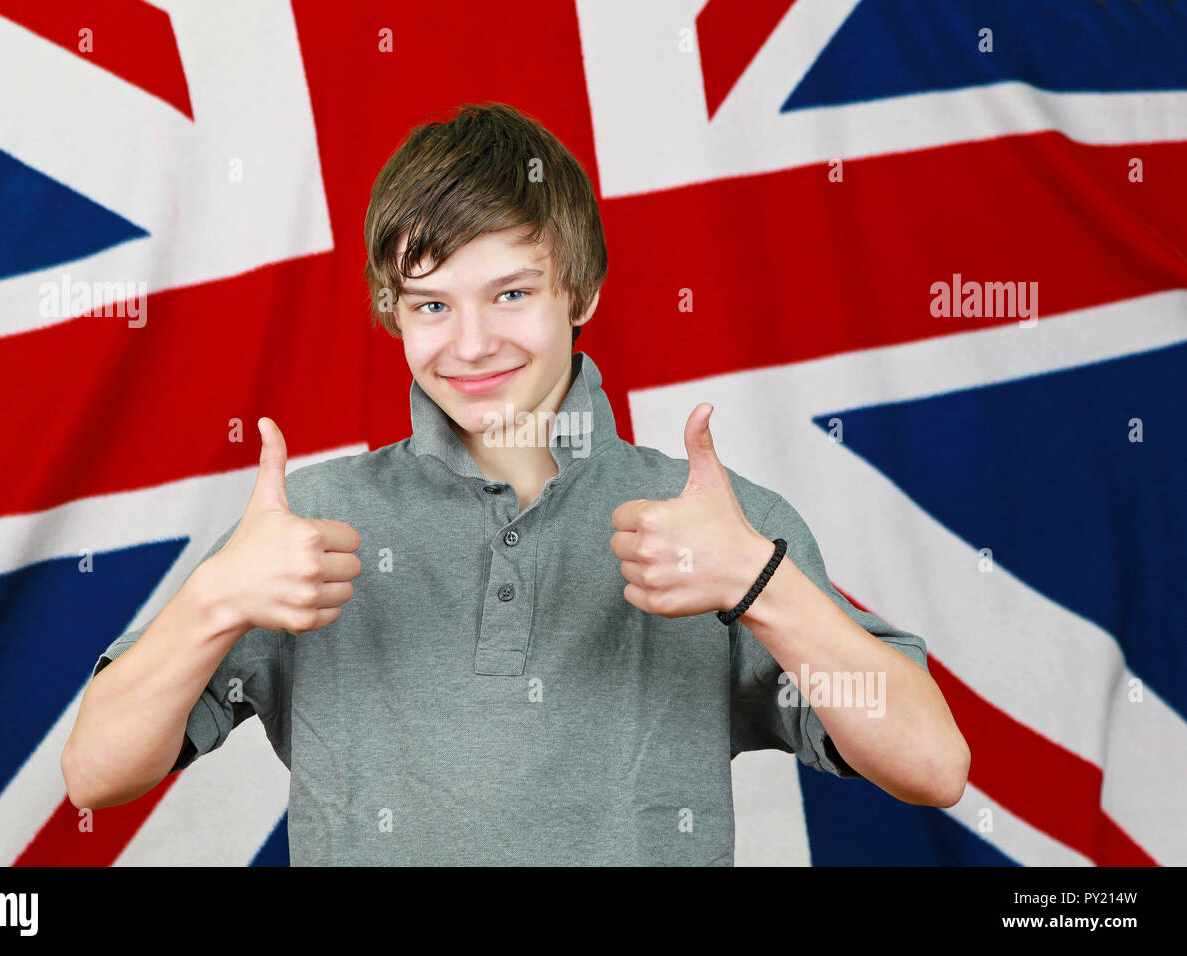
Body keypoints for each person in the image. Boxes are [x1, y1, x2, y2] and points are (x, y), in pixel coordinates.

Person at [61, 102, 969, 866]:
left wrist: (759, 586)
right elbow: (95, 776)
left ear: (583, 293)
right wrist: (214, 600)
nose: (471, 345)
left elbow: (932, 767)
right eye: (431, 305)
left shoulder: (718, 527)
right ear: (396, 315)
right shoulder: (307, 526)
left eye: (510, 295)